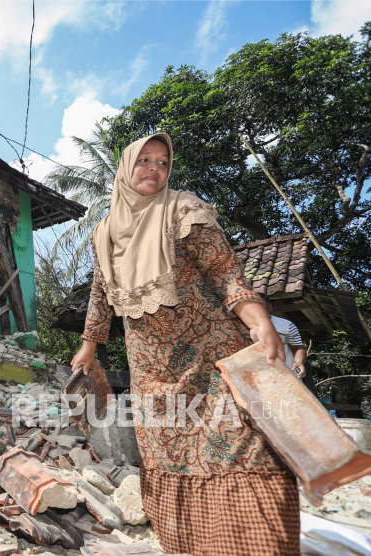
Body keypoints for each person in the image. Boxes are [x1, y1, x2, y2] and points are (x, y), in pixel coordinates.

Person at [70, 133, 299, 555]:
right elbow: (100, 295)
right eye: (144, 160)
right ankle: (193, 545)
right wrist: (89, 345)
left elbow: (225, 271)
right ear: (126, 168)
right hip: (151, 367)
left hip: (213, 355)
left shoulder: (182, 209)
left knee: (243, 446)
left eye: (162, 161)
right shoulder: (105, 232)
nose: (154, 168)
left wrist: (258, 319)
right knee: (167, 449)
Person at [259, 292, 308, 378]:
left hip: (286, 378)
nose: (258, 310)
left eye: (262, 305)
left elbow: (297, 347)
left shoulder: (287, 325)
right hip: (256, 380)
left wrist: (299, 362)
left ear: (270, 307)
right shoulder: (240, 327)